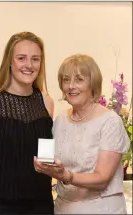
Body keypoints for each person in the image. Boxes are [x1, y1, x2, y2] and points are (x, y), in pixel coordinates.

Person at [0, 31, 54, 214]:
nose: (29, 65)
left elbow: (45, 159)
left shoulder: (47, 102)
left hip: (41, 206)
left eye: (35, 59)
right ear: (9, 61)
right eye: (21, 58)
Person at [34, 54, 130, 214]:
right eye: (66, 80)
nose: (71, 86)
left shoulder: (110, 122)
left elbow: (102, 179)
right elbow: (52, 162)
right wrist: (44, 167)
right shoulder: (60, 120)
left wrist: (67, 175)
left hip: (101, 209)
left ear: (92, 83)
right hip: (63, 208)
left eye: (79, 79)